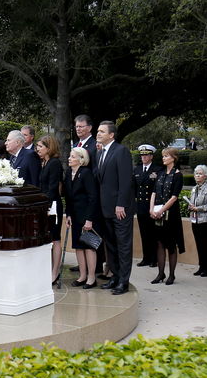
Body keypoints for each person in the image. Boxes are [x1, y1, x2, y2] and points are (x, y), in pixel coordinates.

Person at [95, 121, 135, 295]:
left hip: (120, 209)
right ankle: (115, 277)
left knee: (123, 246)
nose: (98, 133)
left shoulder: (121, 151)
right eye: (98, 131)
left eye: (102, 131)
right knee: (110, 245)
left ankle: (123, 282)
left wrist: (121, 204)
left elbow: (126, 181)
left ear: (111, 135)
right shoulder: (100, 153)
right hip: (106, 209)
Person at [64, 147, 100, 288]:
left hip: (87, 217)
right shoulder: (68, 173)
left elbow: (93, 197)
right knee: (78, 247)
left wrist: (89, 219)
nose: (69, 158)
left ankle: (91, 277)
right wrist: (68, 215)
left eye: (72, 156)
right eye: (70, 156)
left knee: (89, 247)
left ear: (81, 159)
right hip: (75, 216)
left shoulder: (86, 173)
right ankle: (82, 275)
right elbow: (68, 197)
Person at [149, 147, 185, 285]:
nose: (163, 158)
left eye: (166, 156)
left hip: (171, 214)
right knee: (159, 243)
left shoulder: (178, 175)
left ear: (173, 158)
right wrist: (151, 209)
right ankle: (160, 273)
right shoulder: (160, 173)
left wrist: (162, 210)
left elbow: (174, 197)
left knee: (170, 244)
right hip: (157, 213)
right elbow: (153, 192)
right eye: (163, 156)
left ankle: (171, 275)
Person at [37, 135, 64, 284]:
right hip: (45, 205)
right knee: (48, 237)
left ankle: (55, 271)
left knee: (55, 237)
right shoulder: (45, 162)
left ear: (49, 147)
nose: (38, 149)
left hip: (52, 205)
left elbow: (53, 187)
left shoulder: (54, 163)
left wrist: (46, 204)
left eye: (40, 146)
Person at [133, 144, 161, 267]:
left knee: (153, 233)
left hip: (152, 206)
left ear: (151, 156)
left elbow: (157, 189)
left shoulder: (157, 170)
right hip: (140, 206)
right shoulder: (137, 169)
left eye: (146, 155)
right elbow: (134, 187)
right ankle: (146, 258)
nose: (143, 157)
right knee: (144, 234)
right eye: (142, 155)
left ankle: (154, 259)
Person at [188, 164, 207, 277]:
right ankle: (201, 267)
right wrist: (190, 206)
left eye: (200, 173)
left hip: (206, 221)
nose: (197, 175)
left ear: (205, 176)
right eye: (196, 173)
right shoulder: (194, 188)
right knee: (199, 245)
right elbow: (192, 202)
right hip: (195, 220)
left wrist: (198, 208)